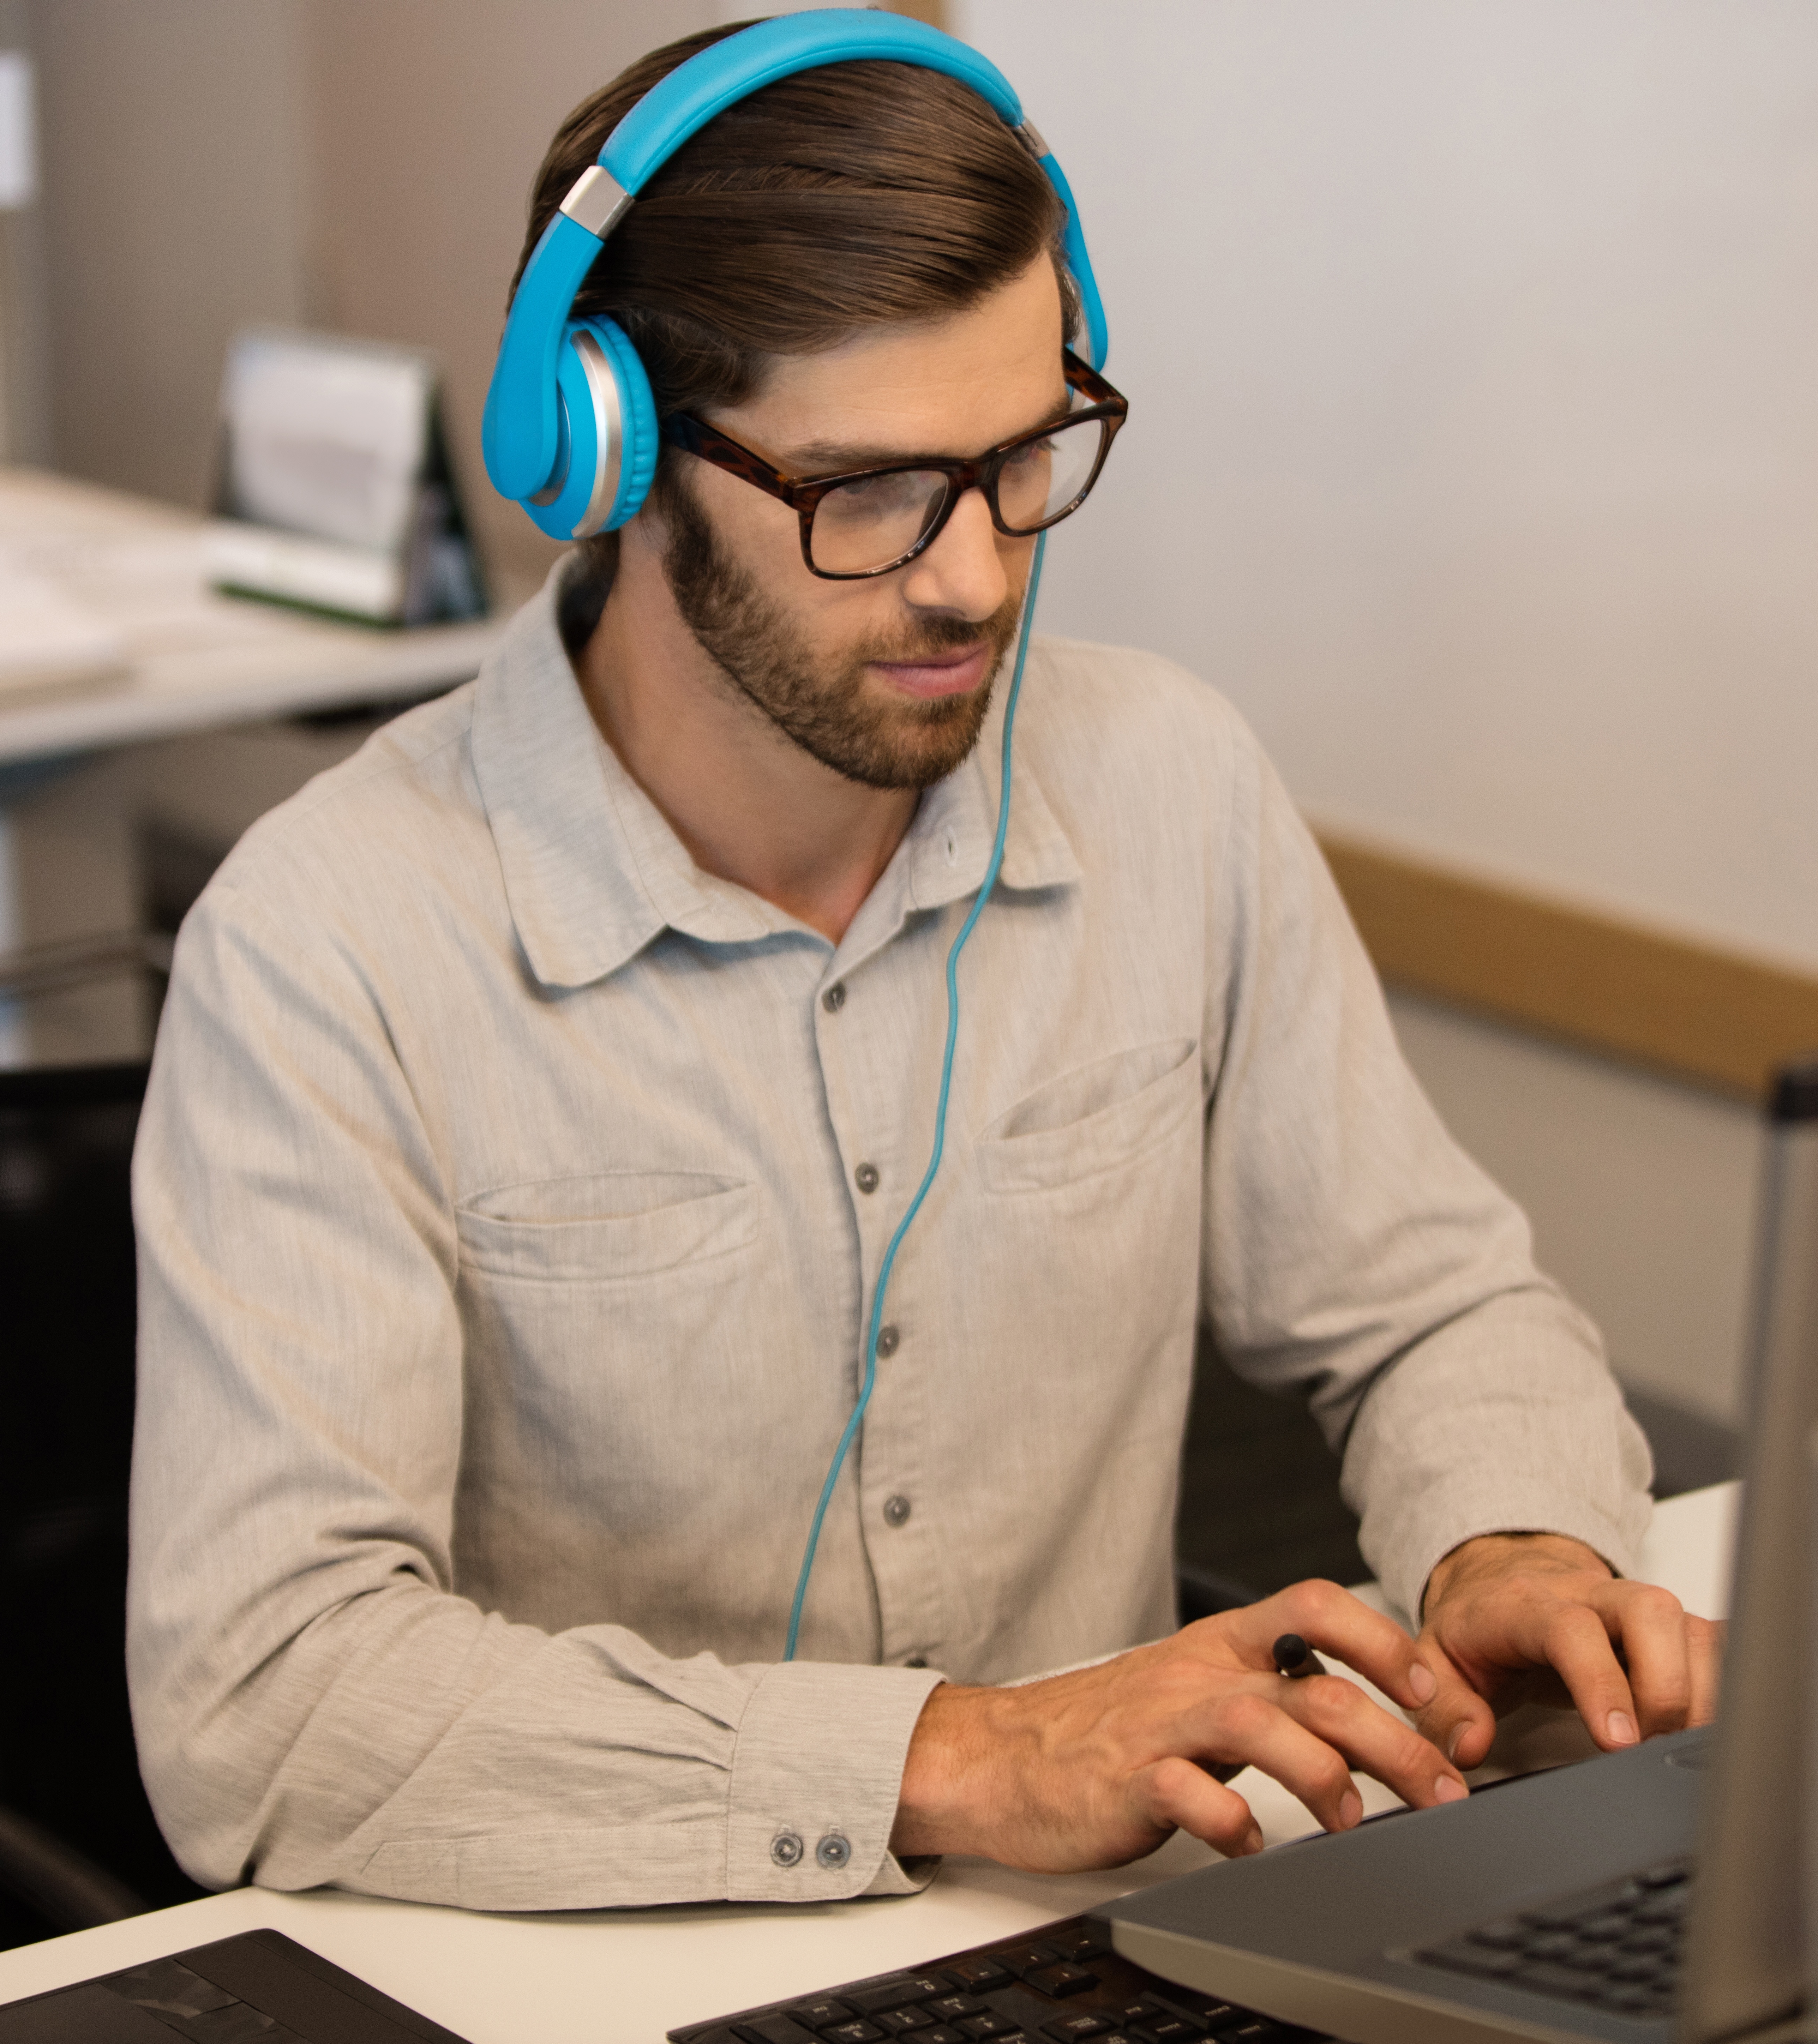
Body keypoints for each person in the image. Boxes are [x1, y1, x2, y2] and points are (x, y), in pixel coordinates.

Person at [128, 20, 1720, 1913]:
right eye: (869, 490)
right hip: (597, 1966)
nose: (973, 577)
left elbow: (1427, 1303)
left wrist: (1510, 1545)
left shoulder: (1166, 784)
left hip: (1104, 1943)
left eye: (1024, 454)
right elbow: (270, 1700)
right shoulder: (332, 941)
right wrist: (963, 1757)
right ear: (608, 448)